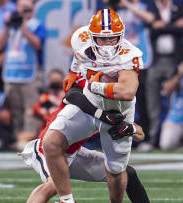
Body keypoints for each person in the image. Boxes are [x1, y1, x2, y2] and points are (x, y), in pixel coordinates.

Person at [43, 9, 143, 203]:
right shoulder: (80, 38)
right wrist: (73, 72)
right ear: (91, 36)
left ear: (120, 37)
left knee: (115, 170)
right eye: (102, 39)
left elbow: (126, 91)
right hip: (91, 103)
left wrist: (92, 84)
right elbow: (79, 58)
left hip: (118, 110)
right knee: (51, 142)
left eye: (112, 39)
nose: (107, 44)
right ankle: (66, 201)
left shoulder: (129, 55)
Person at [21, 123, 149, 203]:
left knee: (128, 173)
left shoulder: (105, 108)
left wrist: (129, 128)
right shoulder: (79, 104)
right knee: (54, 185)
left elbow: (140, 133)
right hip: (48, 150)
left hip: (73, 153)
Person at [138, 0, 183, 152]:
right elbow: (150, 30)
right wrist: (173, 26)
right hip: (155, 59)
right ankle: (151, 138)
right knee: (151, 101)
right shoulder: (151, 7)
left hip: (174, 60)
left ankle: (179, 138)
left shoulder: (178, 6)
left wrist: (162, 26)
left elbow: (182, 31)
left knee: (177, 98)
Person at [0, 0, 47, 150]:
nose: (24, 13)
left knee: (30, 110)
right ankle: (18, 138)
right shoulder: (10, 26)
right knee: (16, 110)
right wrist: (7, 26)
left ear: (32, 10)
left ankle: (29, 141)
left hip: (29, 75)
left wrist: (23, 27)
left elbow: (37, 44)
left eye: (28, 10)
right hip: (11, 74)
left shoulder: (37, 25)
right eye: (22, 10)